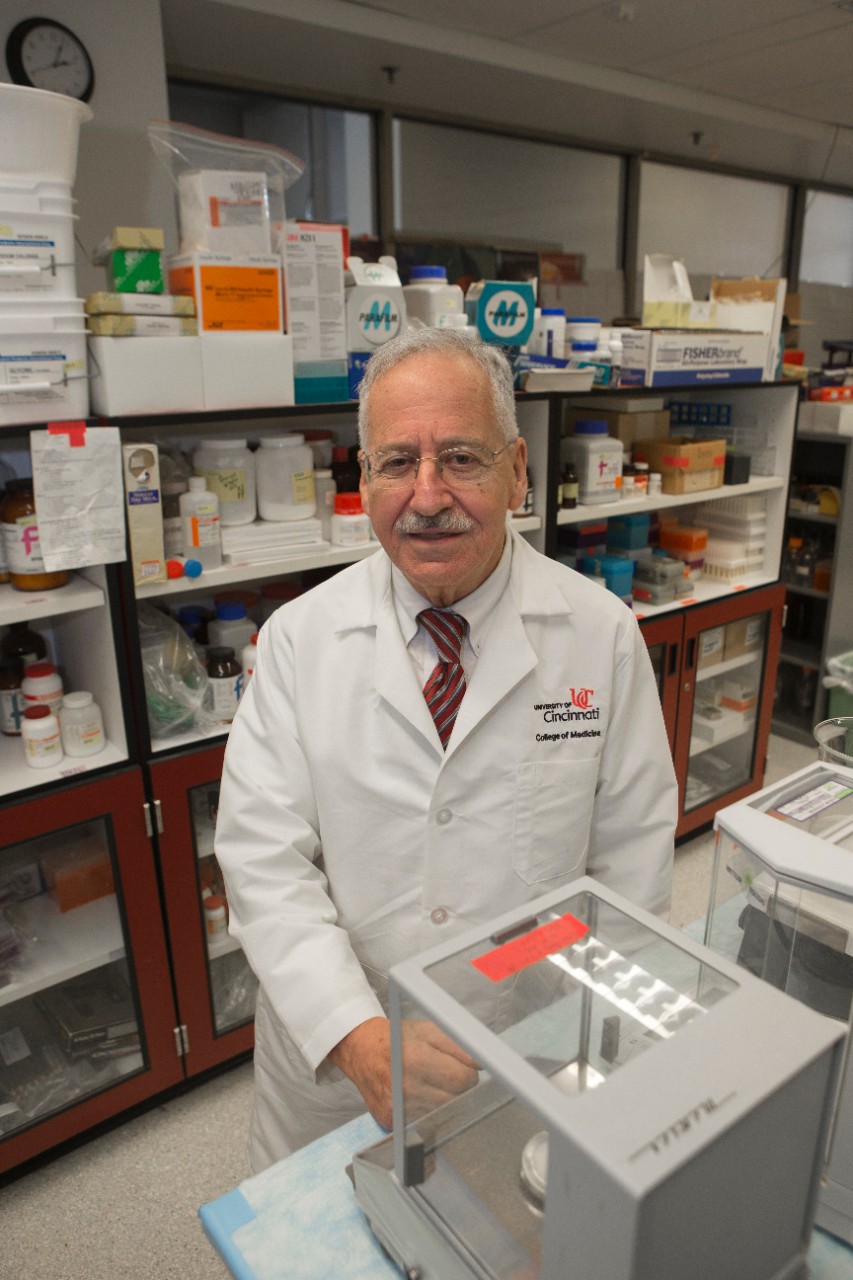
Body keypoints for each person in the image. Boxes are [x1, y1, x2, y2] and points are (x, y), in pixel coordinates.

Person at [215, 326, 677, 1172]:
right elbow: (263, 862)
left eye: (460, 458)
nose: (427, 496)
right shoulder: (297, 640)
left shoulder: (598, 633)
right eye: (396, 463)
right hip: (337, 1057)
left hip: (527, 1038)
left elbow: (631, 863)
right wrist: (354, 1036)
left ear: (517, 472)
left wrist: (601, 1041)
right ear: (364, 480)